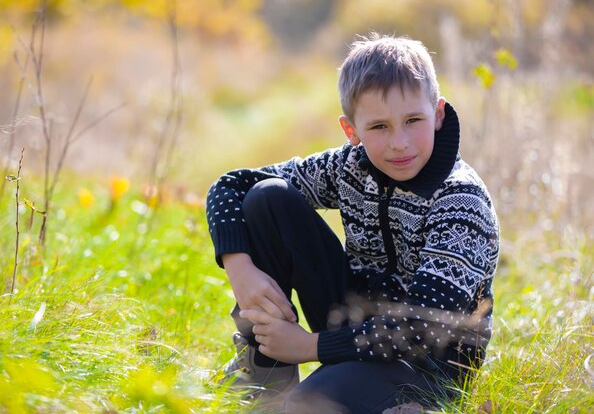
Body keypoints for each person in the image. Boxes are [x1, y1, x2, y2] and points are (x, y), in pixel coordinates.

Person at [206, 33, 500, 413]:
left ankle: (413, 407)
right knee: (267, 196)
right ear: (352, 131)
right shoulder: (349, 167)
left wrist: (308, 347)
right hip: (351, 325)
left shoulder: (460, 202)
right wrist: (239, 268)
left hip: (428, 365)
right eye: (379, 127)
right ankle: (265, 375)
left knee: (307, 406)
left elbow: (424, 329)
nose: (400, 142)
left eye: (413, 120)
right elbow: (231, 185)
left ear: (438, 114)